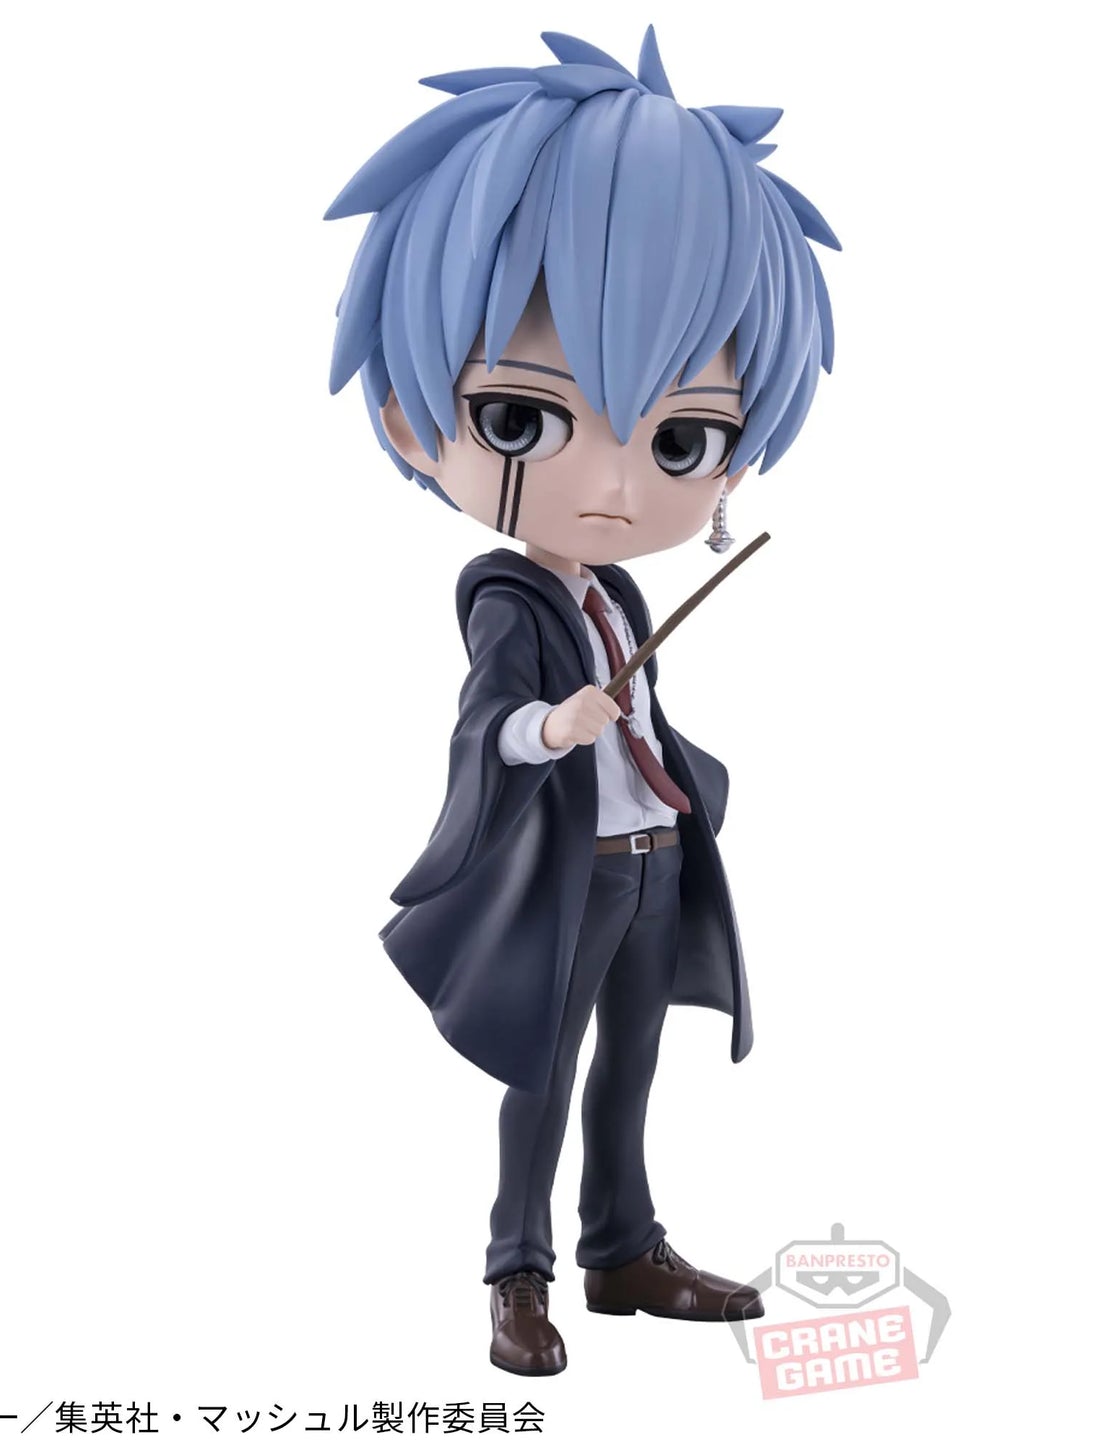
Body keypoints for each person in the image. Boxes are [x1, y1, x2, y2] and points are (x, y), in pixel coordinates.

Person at [324, 26, 839, 1376]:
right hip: (571, 865)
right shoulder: (510, 594)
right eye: (524, 418)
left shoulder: (613, 588)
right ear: (411, 421)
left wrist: (673, 765)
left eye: (681, 437)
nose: (613, 483)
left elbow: (643, 712)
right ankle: (518, 1271)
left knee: (632, 1063)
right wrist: (551, 728)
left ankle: (623, 1245)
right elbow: (485, 721)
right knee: (542, 1072)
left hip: (650, 853)